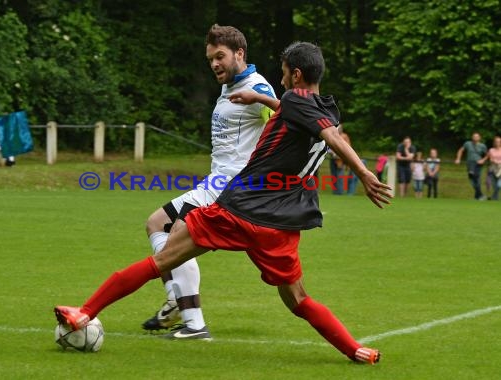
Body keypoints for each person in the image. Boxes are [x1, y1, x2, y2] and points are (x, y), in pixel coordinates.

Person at [55, 41, 392, 365]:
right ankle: (355, 350)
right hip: (280, 226)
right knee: (299, 300)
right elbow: (309, 122)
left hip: (240, 209)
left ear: (298, 76)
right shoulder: (324, 109)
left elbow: (325, 134)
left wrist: (363, 173)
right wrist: (258, 97)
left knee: (162, 259)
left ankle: (85, 312)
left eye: (285, 73)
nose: (282, 79)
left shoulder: (296, 100)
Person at [141, 24, 276, 340]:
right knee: (156, 224)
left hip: (230, 187)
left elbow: (290, 115)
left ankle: (192, 322)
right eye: (211, 59)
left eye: (220, 56)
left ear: (239, 54)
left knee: (171, 235)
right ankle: (180, 302)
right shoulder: (229, 86)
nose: (214, 64)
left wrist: (258, 97)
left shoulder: (258, 86)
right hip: (214, 183)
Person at [455, 132, 488, 200]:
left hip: (478, 164)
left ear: (479, 138)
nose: (475, 138)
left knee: (477, 179)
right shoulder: (467, 143)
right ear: (472, 137)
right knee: (471, 180)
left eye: (477, 136)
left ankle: (479, 196)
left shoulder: (482, 146)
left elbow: (488, 155)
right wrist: (458, 159)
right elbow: (461, 150)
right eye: (474, 136)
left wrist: (483, 160)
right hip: (469, 163)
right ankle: (479, 196)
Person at [328, 126, 350, 195]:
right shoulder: (332, 135)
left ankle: (340, 192)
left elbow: (348, 147)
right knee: (333, 176)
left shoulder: (344, 136)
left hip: (340, 159)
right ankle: (335, 192)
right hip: (332, 158)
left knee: (340, 176)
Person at [481, 136, 501, 200]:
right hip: (492, 168)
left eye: (499, 141)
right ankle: (495, 197)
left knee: (499, 185)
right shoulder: (491, 150)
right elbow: (487, 157)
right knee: (494, 185)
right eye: (496, 141)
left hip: (500, 169)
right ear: (494, 142)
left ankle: (493, 197)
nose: (497, 143)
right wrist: (482, 160)